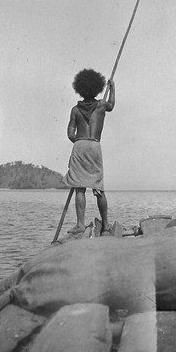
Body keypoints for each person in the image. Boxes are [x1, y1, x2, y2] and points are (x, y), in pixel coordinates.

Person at [62, 68, 115, 235]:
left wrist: (79, 142)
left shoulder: (75, 110)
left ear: (80, 89)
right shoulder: (101, 106)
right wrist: (112, 88)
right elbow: (111, 106)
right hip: (94, 145)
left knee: (79, 188)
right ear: (97, 87)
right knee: (98, 188)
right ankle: (106, 224)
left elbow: (70, 132)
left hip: (80, 145)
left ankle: (79, 224)